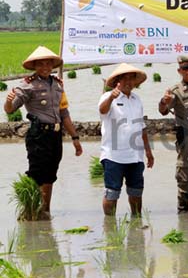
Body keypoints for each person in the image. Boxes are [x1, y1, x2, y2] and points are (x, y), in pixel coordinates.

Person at [4, 46, 83, 217]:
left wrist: (75, 137)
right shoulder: (28, 85)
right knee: (37, 172)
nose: (46, 67)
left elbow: (64, 114)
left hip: (55, 135)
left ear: (53, 65)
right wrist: (8, 102)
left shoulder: (57, 84)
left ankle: (45, 210)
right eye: (41, 64)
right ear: (35, 66)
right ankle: (30, 209)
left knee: (51, 172)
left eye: (49, 64)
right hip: (38, 134)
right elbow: (10, 109)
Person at [98, 63, 154, 216]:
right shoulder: (108, 97)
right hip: (113, 156)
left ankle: (137, 223)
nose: (128, 82)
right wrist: (111, 97)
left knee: (136, 193)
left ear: (136, 82)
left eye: (132, 78)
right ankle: (110, 228)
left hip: (135, 156)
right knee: (112, 193)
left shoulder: (137, 99)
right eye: (125, 78)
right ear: (118, 81)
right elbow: (102, 111)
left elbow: (141, 127)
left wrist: (148, 152)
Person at [158, 55, 188, 212]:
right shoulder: (175, 91)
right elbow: (163, 110)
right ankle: (183, 209)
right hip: (187, 137)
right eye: (185, 68)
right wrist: (164, 101)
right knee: (185, 171)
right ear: (179, 71)